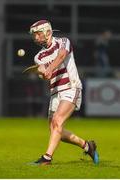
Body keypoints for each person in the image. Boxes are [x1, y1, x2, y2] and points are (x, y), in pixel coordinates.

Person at [29, 20, 99, 165]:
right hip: (55, 92)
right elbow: (43, 72)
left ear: (47, 31)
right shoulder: (39, 56)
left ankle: (46, 158)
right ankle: (87, 146)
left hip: (70, 86)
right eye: (33, 35)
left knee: (57, 121)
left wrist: (49, 69)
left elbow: (61, 55)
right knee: (55, 130)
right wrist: (42, 73)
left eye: (37, 33)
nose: (35, 37)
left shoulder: (63, 41)